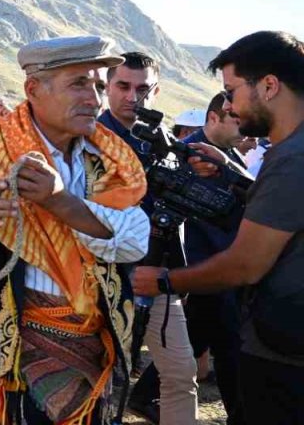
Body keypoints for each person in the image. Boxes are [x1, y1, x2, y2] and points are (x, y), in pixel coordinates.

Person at [0, 36, 150, 424]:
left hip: (93, 351)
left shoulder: (112, 159)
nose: (94, 98)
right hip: (3, 356)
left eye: (99, 86)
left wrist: (60, 201)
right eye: (79, 84)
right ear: (33, 89)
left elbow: (135, 241)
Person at [132, 31, 304, 423]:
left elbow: (246, 264)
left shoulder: (292, 159)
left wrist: (164, 281)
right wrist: (231, 172)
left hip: (284, 357)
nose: (228, 105)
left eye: (230, 92)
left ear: (269, 86)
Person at [97, 51, 198, 424]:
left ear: (156, 91)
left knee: (179, 373)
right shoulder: (87, 141)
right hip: (99, 280)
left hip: (157, 279)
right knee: (101, 380)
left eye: (142, 89)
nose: (131, 97)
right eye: (122, 86)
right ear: (107, 87)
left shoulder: (168, 145)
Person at [176, 92, 249, 424]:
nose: (244, 127)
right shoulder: (190, 155)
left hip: (223, 269)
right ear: (213, 118)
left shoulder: (228, 156)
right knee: (226, 346)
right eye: (236, 119)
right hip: (206, 268)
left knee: (215, 343)